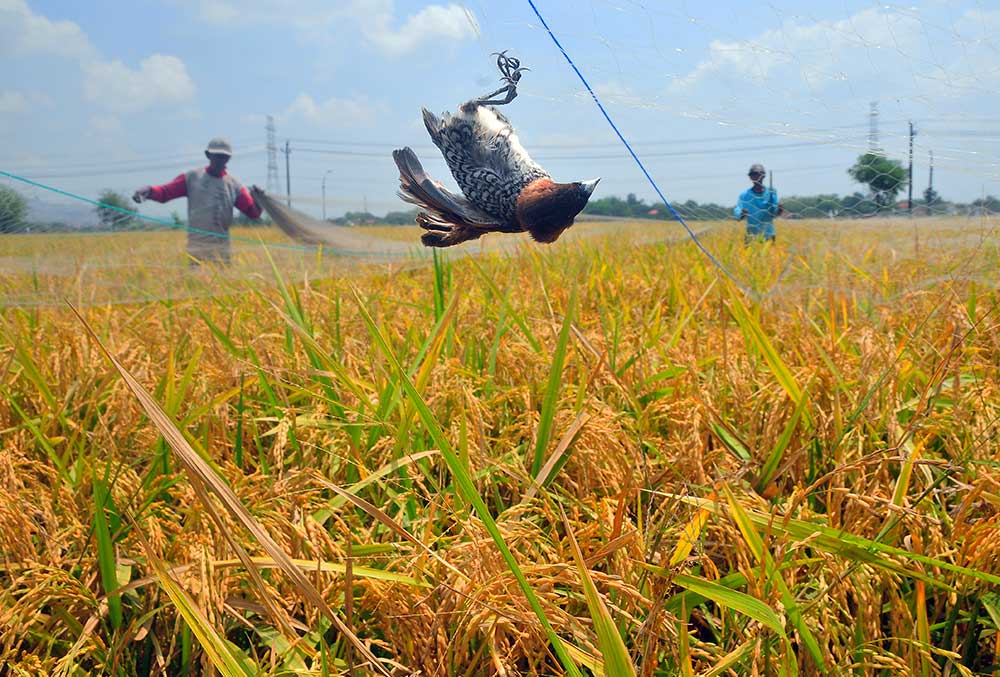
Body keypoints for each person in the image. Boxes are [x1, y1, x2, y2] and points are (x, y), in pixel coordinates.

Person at [132, 138, 263, 265]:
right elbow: (165, 193)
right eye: (217, 156)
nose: (220, 160)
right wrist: (149, 191)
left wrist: (260, 200)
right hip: (196, 251)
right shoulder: (192, 178)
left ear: (229, 158)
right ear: (208, 155)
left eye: (224, 157)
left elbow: (253, 213)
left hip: (222, 253)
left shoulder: (234, 185)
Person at [734, 163, 783, 243]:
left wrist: (779, 210)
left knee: (769, 255)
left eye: (758, 174)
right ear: (750, 177)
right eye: (753, 174)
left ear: (763, 175)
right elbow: (738, 211)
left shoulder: (771, 192)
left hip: (768, 234)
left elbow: (774, 213)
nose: (756, 176)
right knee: (749, 255)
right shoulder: (745, 195)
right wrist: (742, 213)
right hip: (751, 234)